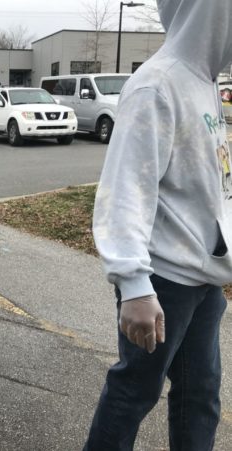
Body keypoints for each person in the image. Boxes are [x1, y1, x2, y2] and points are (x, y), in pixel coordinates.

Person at [85, 0, 232, 449]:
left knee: (200, 394)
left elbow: (207, 186)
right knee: (134, 392)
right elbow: (126, 187)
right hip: (164, 281)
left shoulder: (205, 84)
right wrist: (133, 284)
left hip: (203, 280)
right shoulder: (158, 83)